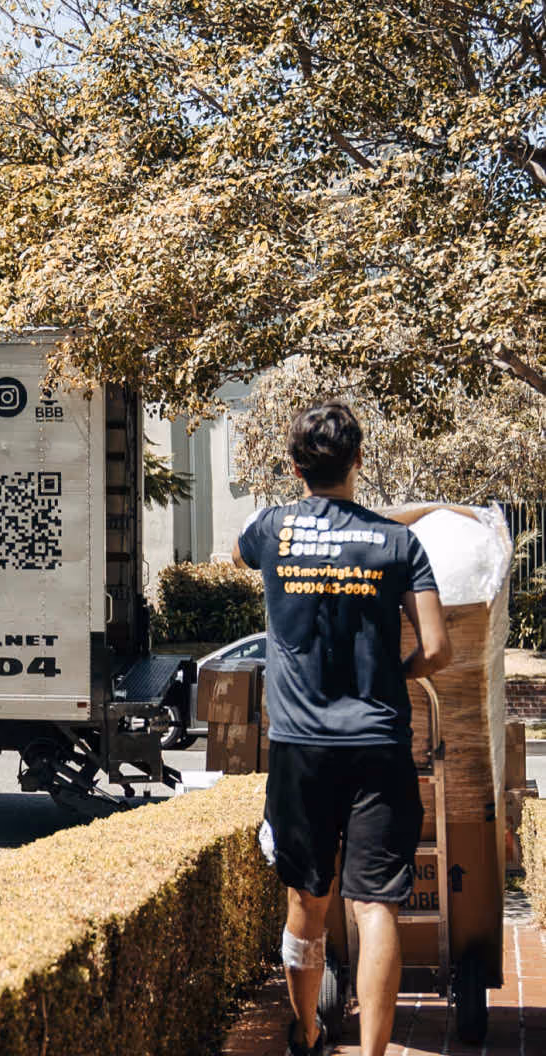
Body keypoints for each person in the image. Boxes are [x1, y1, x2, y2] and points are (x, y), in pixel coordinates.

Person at [232, 402, 452, 1056]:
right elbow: (438, 648)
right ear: (360, 460)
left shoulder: (271, 531)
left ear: (296, 467)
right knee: (375, 905)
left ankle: (306, 1031)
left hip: (301, 748)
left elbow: (244, 546)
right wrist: (399, 671)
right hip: (378, 742)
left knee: (309, 900)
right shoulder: (399, 544)